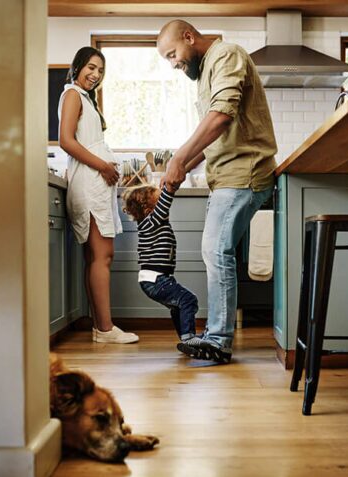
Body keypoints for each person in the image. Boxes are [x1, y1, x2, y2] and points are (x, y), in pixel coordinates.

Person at [156, 20, 277, 363]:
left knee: (215, 249)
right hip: (225, 176)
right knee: (215, 250)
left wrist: (180, 157)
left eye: (173, 54)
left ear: (189, 38)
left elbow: (222, 116)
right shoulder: (207, 69)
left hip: (244, 173)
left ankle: (219, 340)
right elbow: (215, 134)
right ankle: (217, 336)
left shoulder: (226, 54)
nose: (174, 63)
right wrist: (184, 167)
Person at [58, 46, 138, 344]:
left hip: (94, 183)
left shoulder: (84, 99)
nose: (95, 75)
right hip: (90, 183)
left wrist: (107, 167)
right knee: (103, 256)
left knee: (96, 256)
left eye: (100, 71)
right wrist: (103, 166)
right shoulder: (72, 95)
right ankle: (105, 329)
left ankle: (100, 327)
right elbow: (66, 140)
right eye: (91, 67)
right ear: (77, 66)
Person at [122, 184, 200, 346]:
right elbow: (166, 202)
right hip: (156, 280)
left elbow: (163, 205)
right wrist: (170, 187)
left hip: (157, 279)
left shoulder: (152, 224)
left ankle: (186, 338)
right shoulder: (151, 222)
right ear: (149, 209)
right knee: (188, 300)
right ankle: (189, 338)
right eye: (159, 204)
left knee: (178, 306)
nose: (165, 211)